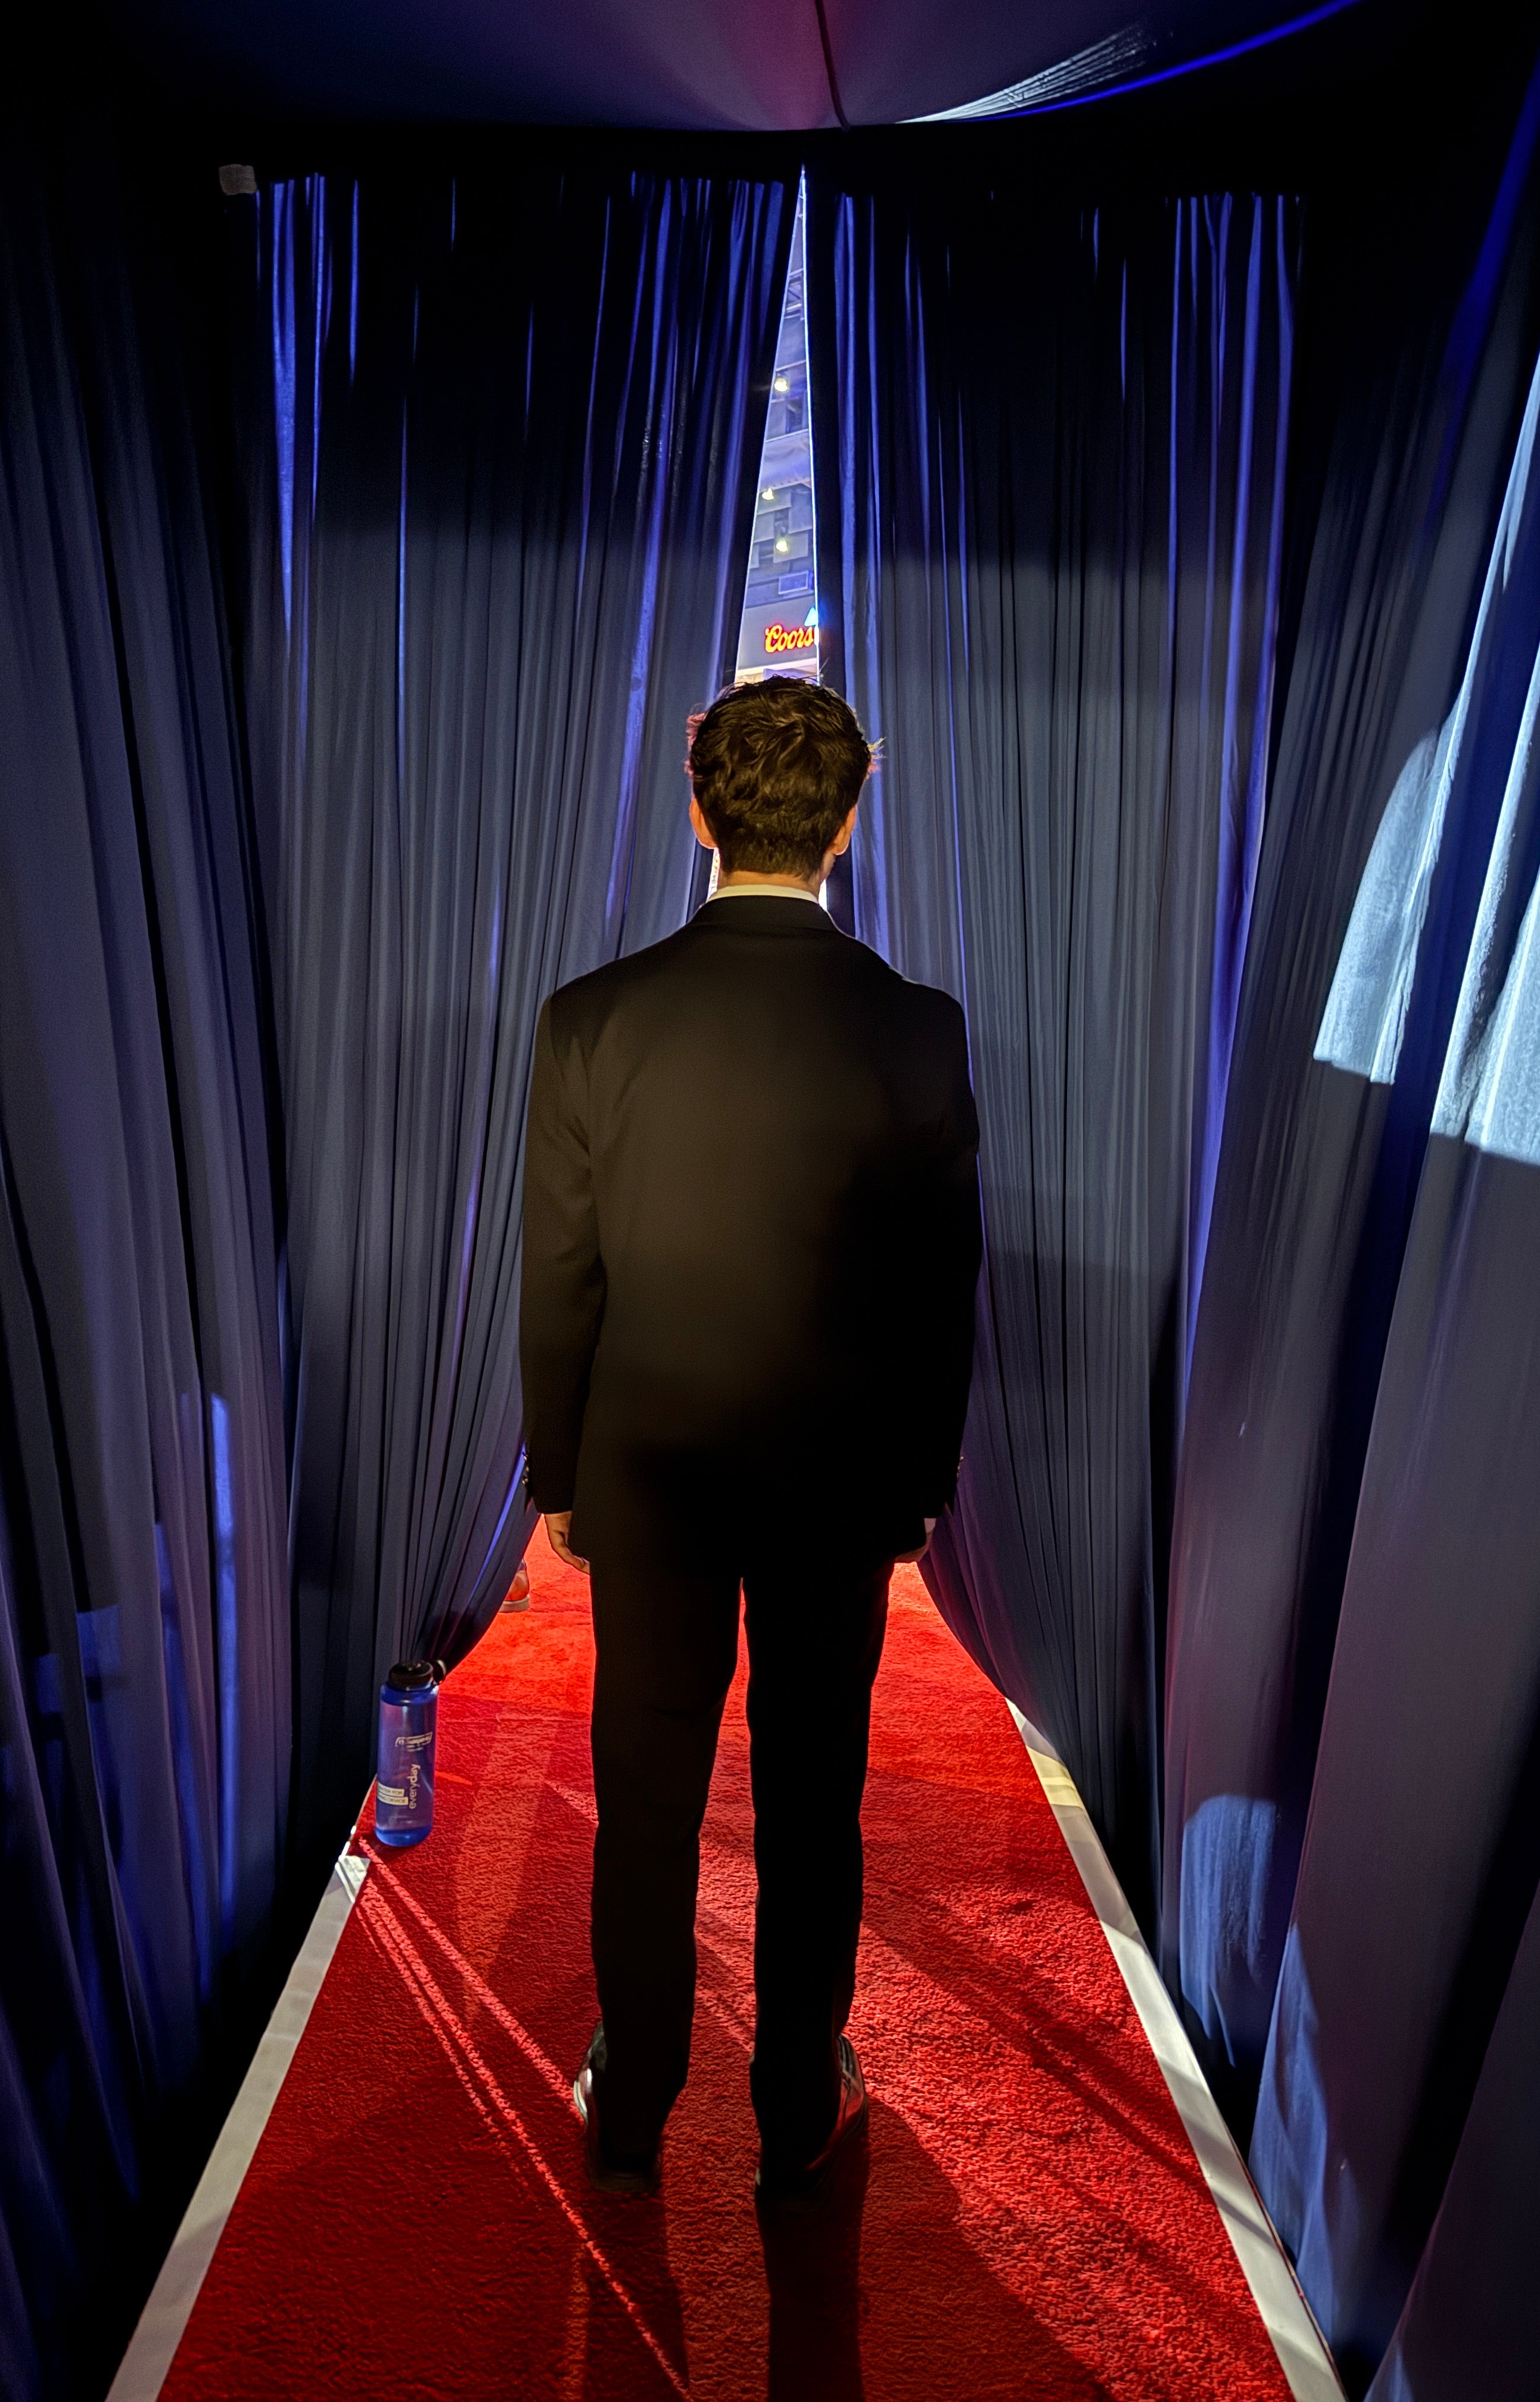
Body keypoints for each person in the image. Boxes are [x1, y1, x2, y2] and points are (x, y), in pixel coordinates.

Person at [519, 676, 982, 2202]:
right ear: (849, 821)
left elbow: (562, 1276)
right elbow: (940, 1293)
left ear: (698, 807)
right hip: (836, 1487)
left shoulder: (592, 1021)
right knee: (812, 1794)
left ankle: (636, 2092)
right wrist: (917, 1489)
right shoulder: (917, 1030)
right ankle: (797, 2103)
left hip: (649, 1477)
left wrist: (559, 1478)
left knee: (644, 1792)